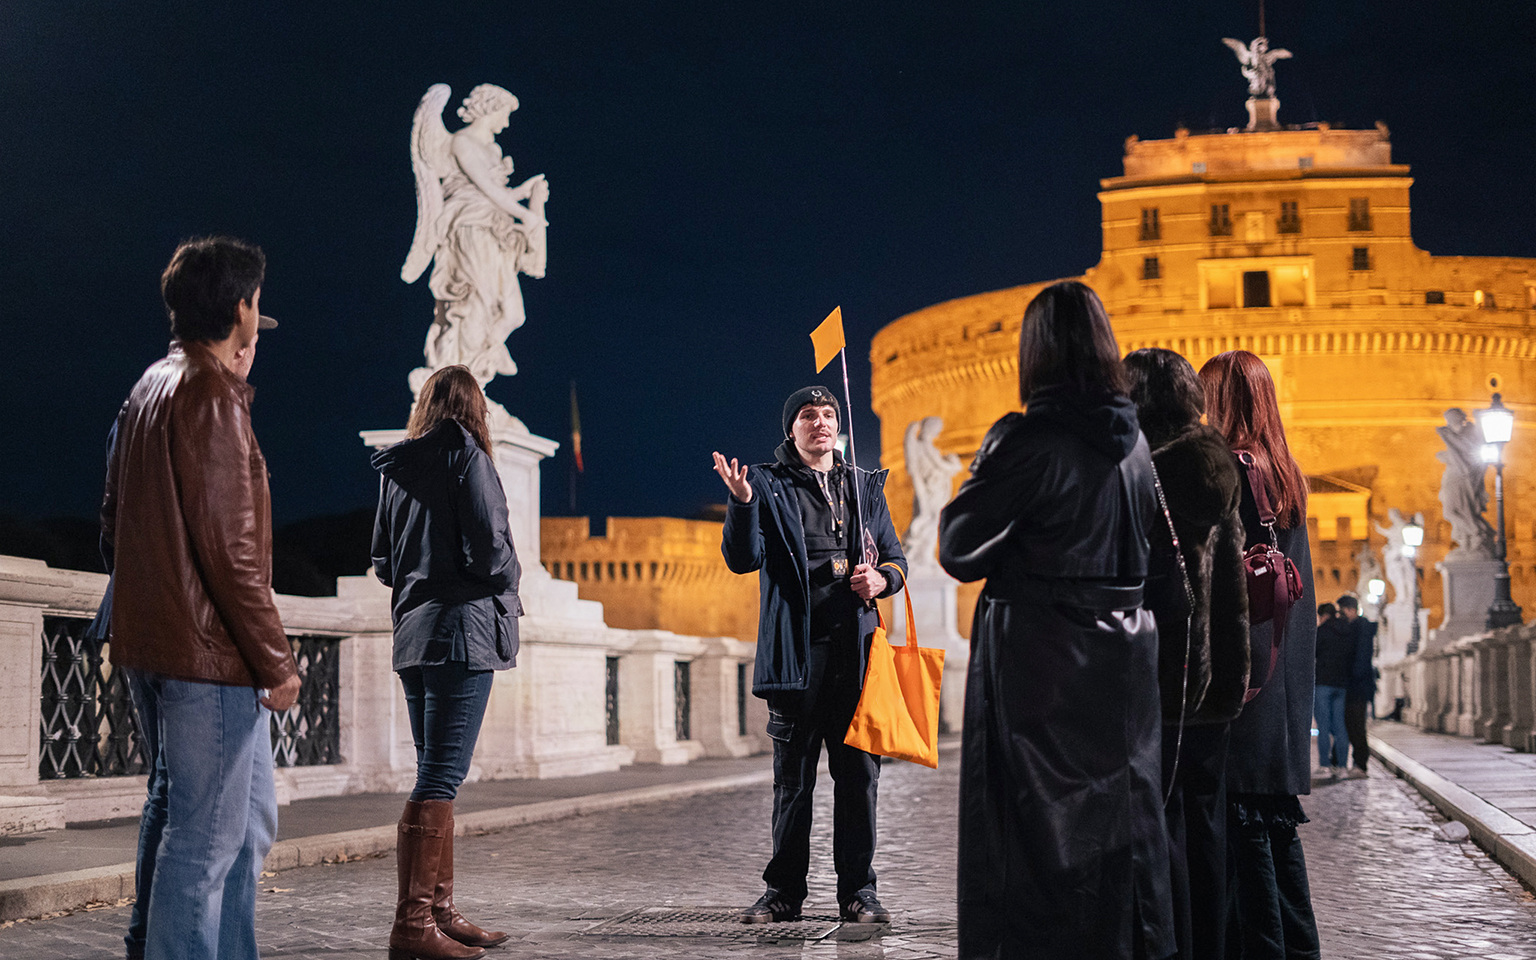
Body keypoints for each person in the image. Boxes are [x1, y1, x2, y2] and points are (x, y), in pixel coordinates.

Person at [938, 281, 1174, 960]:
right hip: (1124, 663)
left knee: (1035, 842)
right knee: (1122, 832)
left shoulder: (1032, 437)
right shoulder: (1135, 448)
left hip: (1043, 664)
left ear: (1034, 350)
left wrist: (991, 460)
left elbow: (957, 546)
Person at [102, 236, 299, 960]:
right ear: (241, 308)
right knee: (206, 844)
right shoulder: (211, 394)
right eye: (257, 301)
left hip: (153, 641)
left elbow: (110, 519)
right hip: (206, 655)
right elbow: (231, 551)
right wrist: (276, 662)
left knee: (218, 824)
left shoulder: (149, 384)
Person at [714, 385, 908, 926]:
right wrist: (742, 502)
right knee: (793, 783)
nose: (820, 423)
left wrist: (882, 580)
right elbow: (742, 559)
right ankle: (783, 895)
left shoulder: (864, 486)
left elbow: (896, 559)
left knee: (859, 782)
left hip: (857, 656)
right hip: (797, 659)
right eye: (807, 415)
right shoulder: (767, 484)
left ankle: (858, 894)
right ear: (791, 429)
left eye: (828, 414)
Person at [371, 364, 522, 960]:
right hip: (461, 632)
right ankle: (412, 929)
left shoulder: (396, 470)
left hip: (413, 635)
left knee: (434, 769)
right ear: (475, 410)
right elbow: (490, 549)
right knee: (440, 776)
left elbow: (383, 562)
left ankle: (439, 912)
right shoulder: (468, 458)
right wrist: (509, 570)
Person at [1125, 347, 1250, 960]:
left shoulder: (1152, 472)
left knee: (1159, 831)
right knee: (1205, 829)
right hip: (1216, 682)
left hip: (1164, 677)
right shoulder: (1218, 463)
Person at [1199, 350, 1320, 960]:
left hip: (1242, 674)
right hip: (1283, 673)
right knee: (1273, 836)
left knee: (1242, 841)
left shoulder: (1231, 470)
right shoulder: (1285, 471)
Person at [1338, 595, 1377, 778]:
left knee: (1356, 725)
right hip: (1355, 684)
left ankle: (1361, 764)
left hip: (1357, 686)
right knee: (1351, 724)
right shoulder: (1358, 627)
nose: (1341, 615)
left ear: (1350, 609)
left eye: (1342, 611)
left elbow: (1361, 658)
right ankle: (1357, 762)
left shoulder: (1361, 628)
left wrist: (1352, 677)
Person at [1314, 603, 1353, 780]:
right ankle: (1343, 767)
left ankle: (1325, 765)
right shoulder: (1346, 631)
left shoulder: (1321, 631)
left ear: (1322, 615)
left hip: (1323, 683)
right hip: (1342, 685)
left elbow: (1312, 654)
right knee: (1340, 727)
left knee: (1323, 726)